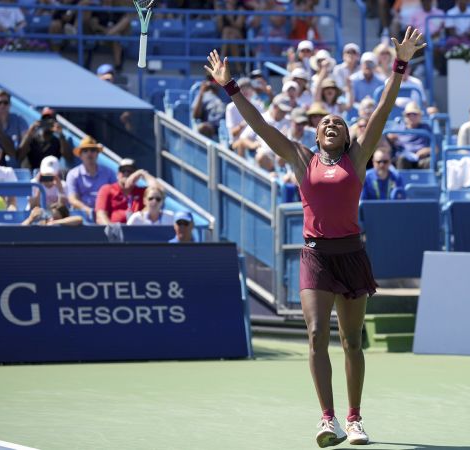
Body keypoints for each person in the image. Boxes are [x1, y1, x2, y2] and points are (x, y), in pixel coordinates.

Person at [204, 26, 425, 447]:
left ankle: (355, 419)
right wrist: (229, 86)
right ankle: (329, 420)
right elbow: (260, 124)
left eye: (338, 123)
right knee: (316, 335)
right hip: (315, 257)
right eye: (324, 122)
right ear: (315, 134)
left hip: (352, 255)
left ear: (346, 136)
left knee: (351, 341)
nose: (330, 124)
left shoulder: (358, 158)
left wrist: (399, 65)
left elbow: (381, 109)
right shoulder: (299, 156)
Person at [95, 158, 160, 225]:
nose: (126, 173)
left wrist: (143, 173)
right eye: (123, 171)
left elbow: (158, 190)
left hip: (138, 232)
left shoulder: (142, 192)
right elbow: (100, 216)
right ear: (118, 174)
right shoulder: (107, 189)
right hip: (116, 231)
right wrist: (112, 230)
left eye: (130, 171)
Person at [66, 136, 116, 218]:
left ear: (97, 154)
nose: (89, 153)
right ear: (80, 155)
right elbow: (72, 199)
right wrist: (88, 211)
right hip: (82, 217)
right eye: (85, 151)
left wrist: (101, 212)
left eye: (93, 150)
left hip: (106, 214)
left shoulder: (109, 172)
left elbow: (116, 194)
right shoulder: (73, 174)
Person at [388, 101, 433, 169]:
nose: (411, 116)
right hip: (404, 159)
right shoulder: (398, 127)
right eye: (408, 114)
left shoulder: (426, 128)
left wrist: (427, 150)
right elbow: (388, 139)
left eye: (414, 114)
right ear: (405, 116)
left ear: (420, 116)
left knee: (430, 161)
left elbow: (435, 148)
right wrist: (391, 139)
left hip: (422, 159)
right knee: (401, 160)